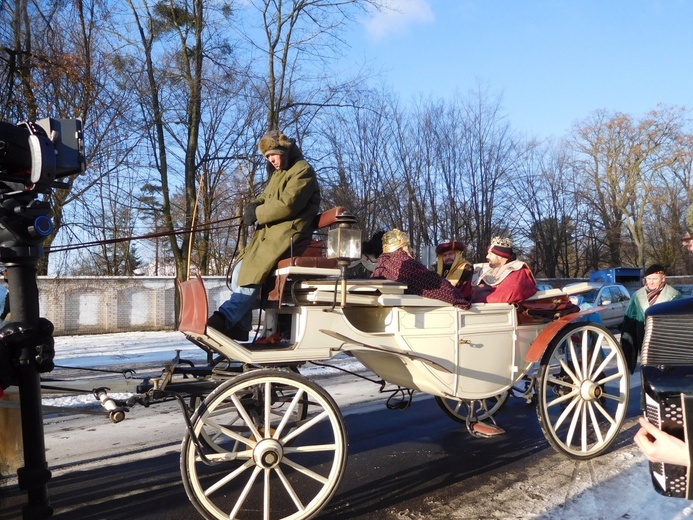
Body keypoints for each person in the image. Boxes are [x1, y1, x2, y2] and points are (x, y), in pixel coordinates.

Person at [207, 130, 321, 340]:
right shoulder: (279, 174)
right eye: (267, 157)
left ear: (283, 151)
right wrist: (253, 206)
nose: (271, 160)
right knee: (239, 272)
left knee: (253, 274)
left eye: (272, 155)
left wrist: (258, 213)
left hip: (289, 232)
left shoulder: (302, 171)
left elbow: (287, 206)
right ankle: (241, 327)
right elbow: (265, 196)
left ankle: (224, 318)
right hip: (271, 232)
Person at [370, 229, 470, 309]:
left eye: (451, 254)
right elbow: (444, 289)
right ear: (403, 248)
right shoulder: (405, 265)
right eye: (408, 247)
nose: (412, 250)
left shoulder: (382, 265)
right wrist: (460, 299)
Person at [620, 264, 681, 374]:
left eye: (654, 279)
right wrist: (628, 350)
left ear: (663, 278)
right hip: (644, 345)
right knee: (647, 373)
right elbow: (629, 323)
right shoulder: (637, 296)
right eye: (648, 279)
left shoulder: (675, 297)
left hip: (666, 347)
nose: (651, 282)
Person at [471, 236, 537, 304]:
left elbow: (504, 296)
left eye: (490, 253)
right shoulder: (486, 268)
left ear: (500, 256)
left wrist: (477, 303)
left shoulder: (518, 271)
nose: (487, 256)